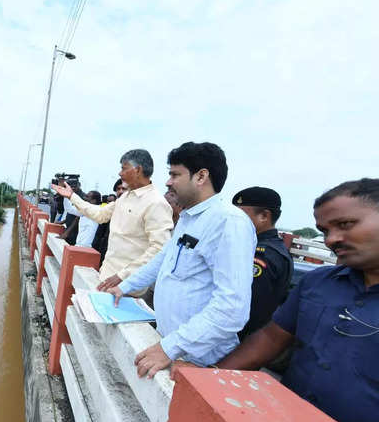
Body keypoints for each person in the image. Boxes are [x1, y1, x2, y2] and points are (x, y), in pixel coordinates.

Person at [186, 178, 379, 422]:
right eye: (324, 231)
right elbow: (271, 338)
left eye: (345, 224)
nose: (332, 239)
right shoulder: (318, 283)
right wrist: (206, 378)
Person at [106, 142, 256, 377]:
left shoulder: (228, 222)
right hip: (173, 348)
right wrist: (123, 287)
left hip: (199, 360)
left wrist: (169, 348)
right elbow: (161, 261)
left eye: (175, 174)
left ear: (201, 176)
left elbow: (232, 309)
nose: (168, 182)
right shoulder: (189, 218)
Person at [51, 149, 173, 292]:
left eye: (123, 168)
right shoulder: (125, 198)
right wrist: (72, 196)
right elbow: (99, 214)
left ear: (137, 170)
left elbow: (160, 250)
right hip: (105, 278)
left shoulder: (156, 203)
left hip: (126, 289)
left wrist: (123, 275)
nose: (120, 174)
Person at [232, 187, 293, 340]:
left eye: (240, 215)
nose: (233, 220)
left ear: (264, 216)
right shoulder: (265, 247)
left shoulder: (262, 254)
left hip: (242, 341)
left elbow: (250, 307)